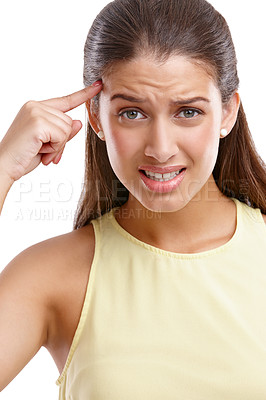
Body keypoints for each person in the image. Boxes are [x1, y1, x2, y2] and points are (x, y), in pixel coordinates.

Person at [0, 0, 265, 398]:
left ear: (227, 113)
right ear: (96, 117)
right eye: (132, 113)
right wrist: (2, 169)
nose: (160, 149)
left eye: (188, 112)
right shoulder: (50, 277)